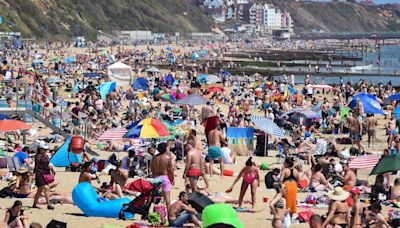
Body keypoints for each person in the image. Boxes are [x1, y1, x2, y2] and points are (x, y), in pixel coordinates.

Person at [151, 142, 173, 210]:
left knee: (155, 198)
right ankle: (169, 213)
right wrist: (172, 179)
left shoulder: (154, 158)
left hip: (156, 178)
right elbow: (170, 170)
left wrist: (154, 178)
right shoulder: (167, 158)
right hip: (165, 177)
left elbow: (152, 169)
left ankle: (155, 213)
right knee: (167, 199)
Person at [32, 145, 55, 210]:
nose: (45, 150)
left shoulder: (46, 156)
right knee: (46, 188)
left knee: (39, 190)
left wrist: (51, 169)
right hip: (39, 174)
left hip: (45, 174)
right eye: (44, 149)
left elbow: (47, 164)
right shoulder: (38, 156)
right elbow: (36, 166)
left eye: (46, 149)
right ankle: (49, 204)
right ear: (40, 149)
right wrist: (34, 174)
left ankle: (34, 204)